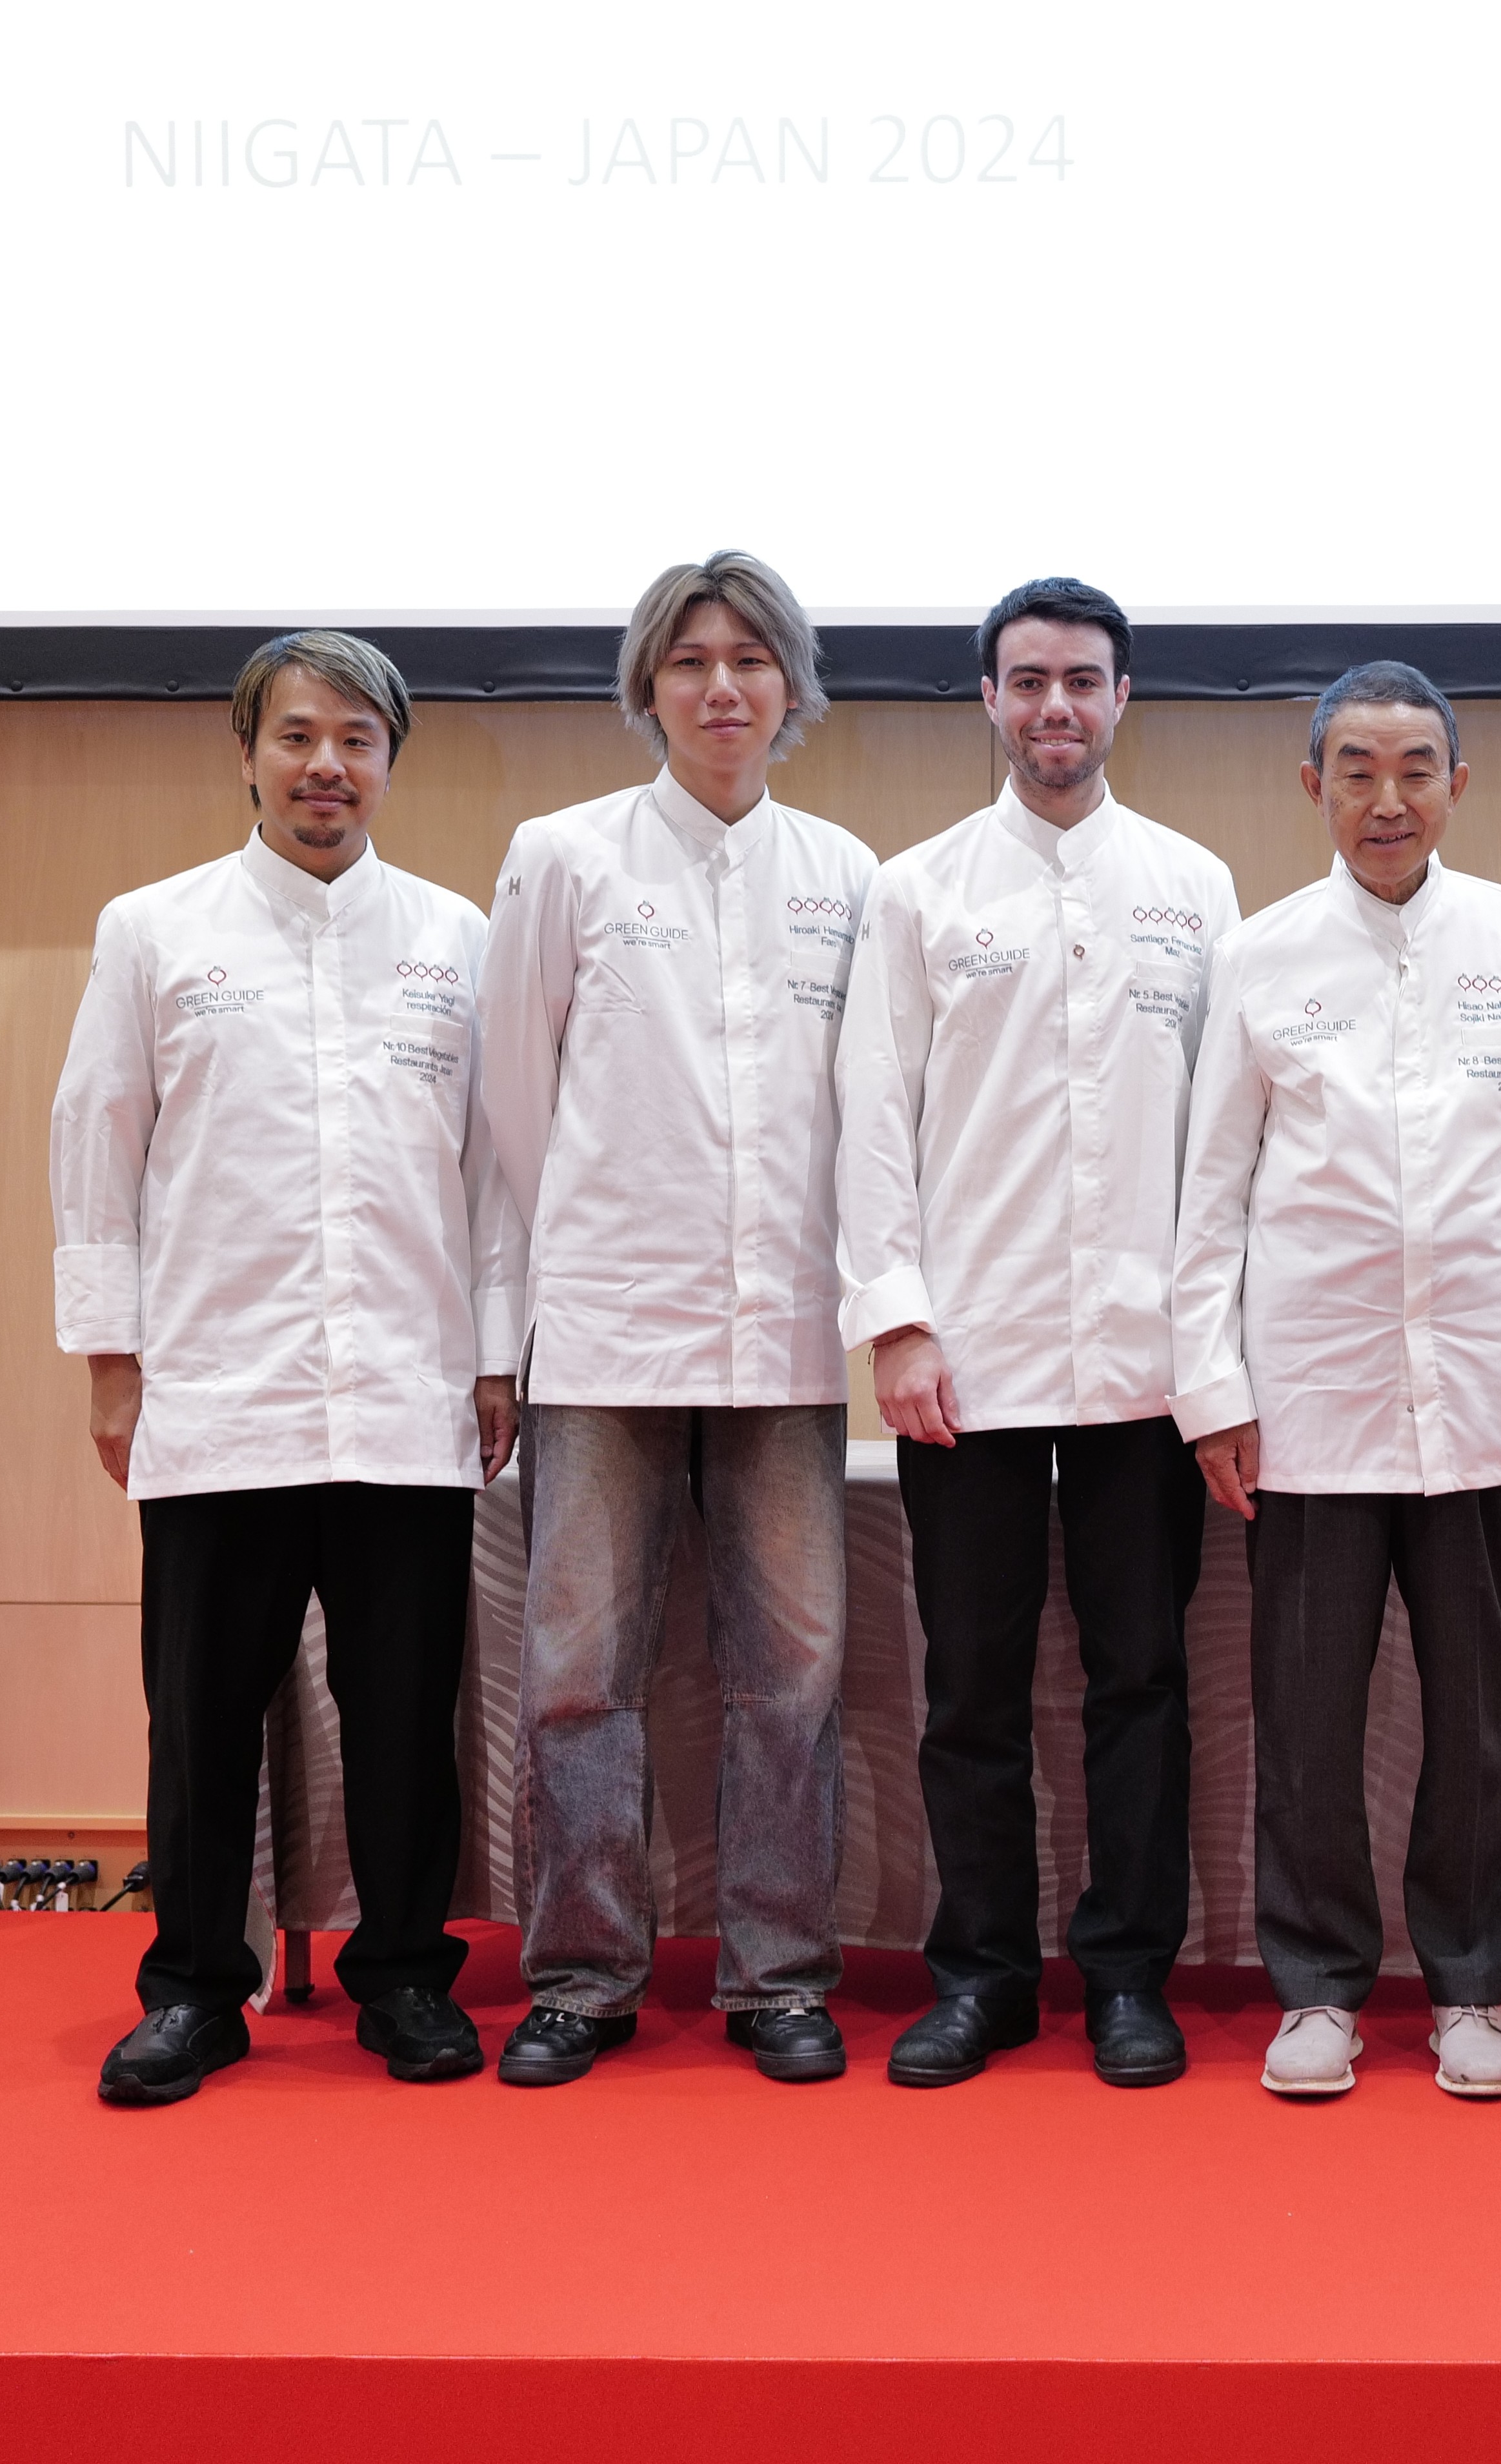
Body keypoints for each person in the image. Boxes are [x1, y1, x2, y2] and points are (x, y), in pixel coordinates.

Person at [53, 630, 519, 2105]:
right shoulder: (155, 930)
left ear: (390, 761)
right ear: (248, 753)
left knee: (406, 1718)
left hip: (406, 1394)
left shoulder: (457, 937)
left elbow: (495, 1175)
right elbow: (96, 1148)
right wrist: (112, 1360)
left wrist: (497, 1355)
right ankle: (195, 1987)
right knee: (201, 1722)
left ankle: (405, 1975)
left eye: (357, 740)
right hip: (221, 1396)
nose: (328, 765)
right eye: (299, 736)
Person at [477, 551, 876, 2087]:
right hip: (604, 1332)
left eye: (751, 660)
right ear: (649, 684)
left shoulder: (845, 874)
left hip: (786, 1334)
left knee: (793, 1677)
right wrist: (544, 1292)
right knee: (580, 1673)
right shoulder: (564, 855)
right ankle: (581, 1976)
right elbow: (516, 1103)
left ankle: (779, 1976)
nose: (723, 687)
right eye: (692, 659)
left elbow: (866, 1115)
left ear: (791, 689)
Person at [1171, 661, 1501, 2102]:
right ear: (1315, 787)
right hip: (1311, 1395)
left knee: (1479, 1716)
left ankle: (1472, 1986)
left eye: (1415, 769)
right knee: (1306, 1716)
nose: (1387, 797)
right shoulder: (1259, 953)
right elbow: (1211, 1190)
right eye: (1356, 769)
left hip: (1483, 1384)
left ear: (1456, 784)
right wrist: (1212, 1388)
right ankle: (1316, 1987)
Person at [837, 577, 1237, 2090]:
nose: (1054, 705)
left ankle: (1130, 1975)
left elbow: (1228, 1139)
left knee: (1143, 1682)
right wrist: (898, 1323)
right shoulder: (918, 889)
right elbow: (872, 1119)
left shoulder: (1195, 886)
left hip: (1148, 1360)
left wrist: (1218, 1353)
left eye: (1080, 679)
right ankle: (985, 1976)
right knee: (972, 1692)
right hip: (972, 1355)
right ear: (990, 699)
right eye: (1027, 680)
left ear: (1122, 696)